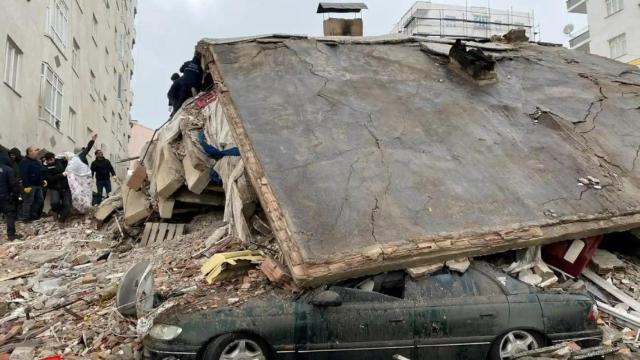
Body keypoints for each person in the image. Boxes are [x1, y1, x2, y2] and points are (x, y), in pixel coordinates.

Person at [19, 147, 46, 221]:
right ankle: (25, 216)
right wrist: (26, 185)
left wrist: (42, 180)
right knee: (28, 201)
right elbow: (24, 174)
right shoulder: (24, 161)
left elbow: (40, 171)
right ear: (30, 152)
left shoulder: (37, 161)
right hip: (30, 185)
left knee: (40, 200)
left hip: (38, 184)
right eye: (35, 151)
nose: (37, 152)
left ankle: (33, 214)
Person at [43, 152, 72, 222]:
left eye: (51, 159)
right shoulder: (45, 168)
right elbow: (50, 179)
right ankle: (55, 213)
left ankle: (62, 220)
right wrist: (61, 175)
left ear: (54, 158)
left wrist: (67, 157)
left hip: (65, 187)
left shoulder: (60, 162)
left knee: (67, 205)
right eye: (48, 160)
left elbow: (70, 162)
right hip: (54, 188)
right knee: (54, 203)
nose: (50, 161)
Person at [0, 152, 21, 240]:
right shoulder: (8, 169)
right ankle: (11, 235)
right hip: (5, 196)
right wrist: (16, 195)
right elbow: (13, 184)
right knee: (10, 214)